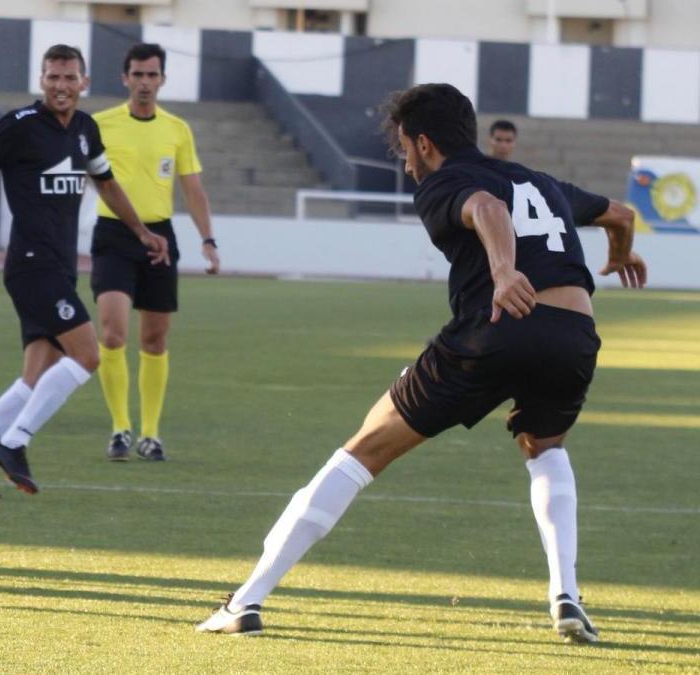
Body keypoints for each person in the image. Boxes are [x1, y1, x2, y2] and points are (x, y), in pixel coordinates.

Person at [196, 83, 647, 643]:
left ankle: (247, 600)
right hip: (574, 337)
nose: (406, 163)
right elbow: (621, 214)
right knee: (545, 446)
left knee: (363, 450)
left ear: (426, 143)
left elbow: (486, 209)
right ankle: (565, 595)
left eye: (405, 148)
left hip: (498, 329)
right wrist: (621, 253)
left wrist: (504, 272)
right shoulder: (542, 181)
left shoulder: (446, 184)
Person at [0, 44, 169, 498]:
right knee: (88, 356)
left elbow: (105, 181)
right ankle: (13, 442)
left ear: (83, 82)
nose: (61, 86)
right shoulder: (19, 127)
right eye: (52, 78)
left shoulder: (85, 129)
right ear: (41, 81)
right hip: (30, 265)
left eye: (69, 78)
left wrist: (140, 231)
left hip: (59, 267)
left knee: (36, 376)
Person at [91, 43, 220, 462]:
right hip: (113, 235)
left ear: (162, 79)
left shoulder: (177, 129)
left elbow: (193, 188)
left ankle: (150, 433)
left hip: (160, 237)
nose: (145, 82)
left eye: (152, 75)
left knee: (154, 337)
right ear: (124, 78)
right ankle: (119, 429)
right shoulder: (100, 124)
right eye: (138, 74)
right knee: (112, 331)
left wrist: (208, 239)